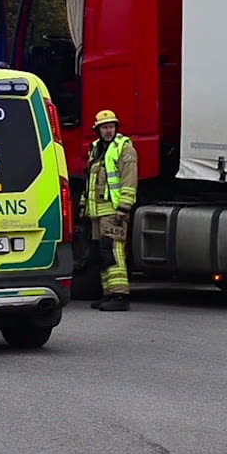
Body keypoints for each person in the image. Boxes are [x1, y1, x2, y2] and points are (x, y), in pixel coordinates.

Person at [84, 109, 137, 312]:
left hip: (114, 211)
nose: (108, 131)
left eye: (111, 127)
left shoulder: (124, 148)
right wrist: (84, 206)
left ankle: (120, 295)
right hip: (97, 211)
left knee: (113, 250)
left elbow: (129, 179)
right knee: (102, 253)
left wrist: (124, 207)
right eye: (104, 127)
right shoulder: (96, 149)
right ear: (98, 129)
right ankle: (108, 294)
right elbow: (91, 180)